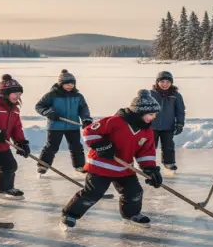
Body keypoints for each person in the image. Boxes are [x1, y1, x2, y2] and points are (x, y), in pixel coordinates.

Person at [60, 89, 163, 230]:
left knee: (134, 192)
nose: (153, 118)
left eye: (155, 115)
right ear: (139, 112)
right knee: (93, 193)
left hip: (124, 167)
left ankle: (131, 214)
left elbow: (146, 152)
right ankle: (69, 214)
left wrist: (150, 169)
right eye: (150, 114)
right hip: (101, 166)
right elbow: (89, 132)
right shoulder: (115, 121)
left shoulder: (147, 131)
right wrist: (102, 146)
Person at [34, 69, 92, 176]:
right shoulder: (52, 95)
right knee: (52, 146)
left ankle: (79, 166)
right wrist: (49, 112)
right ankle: (43, 165)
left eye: (72, 84)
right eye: (66, 84)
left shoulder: (78, 96)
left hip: (73, 126)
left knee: (76, 147)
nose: (70, 86)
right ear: (61, 84)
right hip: (55, 126)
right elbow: (39, 106)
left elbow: (83, 109)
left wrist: (86, 119)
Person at [150, 70, 186, 175]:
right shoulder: (151, 94)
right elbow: (143, 109)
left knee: (168, 146)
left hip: (168, 126)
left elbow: (180, 111)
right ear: (157, 82)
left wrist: (180, 123)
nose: (165, 84)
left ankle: (169, 163)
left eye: (167, 82)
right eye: (162, 82)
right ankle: (149, 164)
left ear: (171, 83)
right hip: (152, 126)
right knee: (150, 146)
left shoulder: (176, 95)